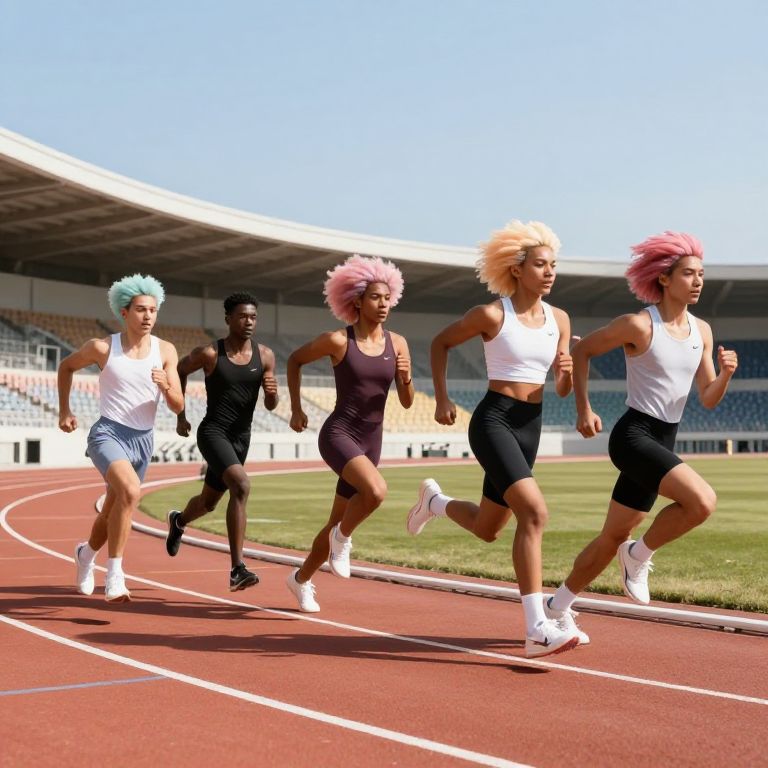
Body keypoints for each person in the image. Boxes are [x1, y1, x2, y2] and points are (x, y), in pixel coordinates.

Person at [545, 231, 738, 632]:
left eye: (701, 274)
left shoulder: (702, 331)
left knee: (612, 536)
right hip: (634, 437)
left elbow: (707, 397)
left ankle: (556, 606)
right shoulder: (638, 325)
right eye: (688, 273)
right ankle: (638, 555)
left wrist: (726, 375)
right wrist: (584, 409)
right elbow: (582, 350)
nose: (698, 281)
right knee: (702, 502)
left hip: (664, 436)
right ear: (664, 278)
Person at [406, 220, 581, 658]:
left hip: (531, 424)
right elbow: (440, 343)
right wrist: (442, 397)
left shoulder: (560, 319)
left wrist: (566, 373)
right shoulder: (492, 315)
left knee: (488, 528)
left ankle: (435, 503)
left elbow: (561, 389)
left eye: (553, 265)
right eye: (540, 265)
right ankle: (536, 628)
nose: (549, 272)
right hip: (494, 421)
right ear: (516, 269)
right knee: (534, 514)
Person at [285, 254, 414, 612]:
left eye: (387, 298)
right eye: (375, 297)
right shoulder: (338, 341)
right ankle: (342, 539)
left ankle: (300, 580)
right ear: (356, 301)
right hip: (339, 434)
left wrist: (406, 377)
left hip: (372, 441)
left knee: (334, 519)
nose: (384, 304)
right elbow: (295, 360)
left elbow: (406, 402)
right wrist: (296, 408)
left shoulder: (398, 343)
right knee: (376, 491)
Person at [59, 273, 183, 603]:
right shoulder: (102, 348)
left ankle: (86, 554)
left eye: (153, 310)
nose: (148, 316)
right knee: (130, 491)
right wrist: (64, 410)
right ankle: (115, 576)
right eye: (141, 310)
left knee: (114, 508)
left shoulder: (166, 351)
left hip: (143, 440)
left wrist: (165, 386)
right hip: (108, 433)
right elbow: (66, 367)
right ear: (124, 313)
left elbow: (178, 405)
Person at [165, 292, 278, 591]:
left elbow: (271, 405)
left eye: (253, 317)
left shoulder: (266, 356)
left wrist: (271, 393)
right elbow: (179, 370)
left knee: (208, 503)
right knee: (241, 486)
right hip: (213, 432)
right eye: (242, 316)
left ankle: (178, 521)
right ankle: (237, 570)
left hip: (242, 439)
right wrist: (180, 415)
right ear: (228, 319)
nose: (249, 321)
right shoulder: (210, 353)